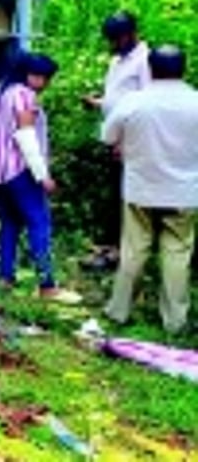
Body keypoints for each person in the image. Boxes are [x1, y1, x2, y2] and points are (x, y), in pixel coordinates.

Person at [101, 45, 198, 334]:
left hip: (140, 187)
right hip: (185, 191)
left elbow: (108, 136)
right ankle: (175, 321)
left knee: (133, 249)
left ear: (151, 69)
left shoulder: (134, 101)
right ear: (184, 69)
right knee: (177, 253)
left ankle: (119, 311)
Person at [0, 52, 81, 303]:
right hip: (20, 170)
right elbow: (26, 137)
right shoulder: (24, 96)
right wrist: (43, 175)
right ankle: (47, 285)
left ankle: (5, 278)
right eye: (41, 77)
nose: (44, 83)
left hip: (0, 172)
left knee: (9, 225)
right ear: (29, 75)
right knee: (39, 224)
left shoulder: (0, 95)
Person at [81, 11, 153, 270]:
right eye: (110, 39)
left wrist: (127, 142)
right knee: (114, 194)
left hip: (131, 141)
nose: (112, 44)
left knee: (128, 197)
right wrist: (98, 103)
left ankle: (121, 252)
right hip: (114, 137)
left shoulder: (145, 61)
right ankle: (111, 247)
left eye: (117, 39)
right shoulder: (116, 61)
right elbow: (119, 100)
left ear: (132, 34)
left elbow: (147, 104)